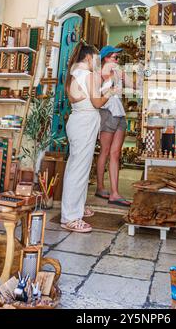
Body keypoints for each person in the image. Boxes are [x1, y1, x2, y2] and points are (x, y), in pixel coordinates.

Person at [61, 41, 115, 233]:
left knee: (77, 166)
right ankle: (70, 217)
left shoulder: (74, 74)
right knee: (79, 169)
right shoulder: (89, 75)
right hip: (84, 124)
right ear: (89, 57)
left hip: (78, 120)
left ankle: (76, 208)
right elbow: (97, 102)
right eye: (97, 59)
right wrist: (110, 92)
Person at [95, 45, 131, 207]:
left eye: (118, 58)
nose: (117, 60)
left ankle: (115, 193)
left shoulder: (117, 72)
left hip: (119, 113)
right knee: (105, 151)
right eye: (115, 57)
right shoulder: (98, 75)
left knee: (116, 153)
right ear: (106, 58)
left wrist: (122, 74)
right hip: (106, 113)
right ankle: (101, 187)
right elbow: (98, 96)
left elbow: (134, 85)